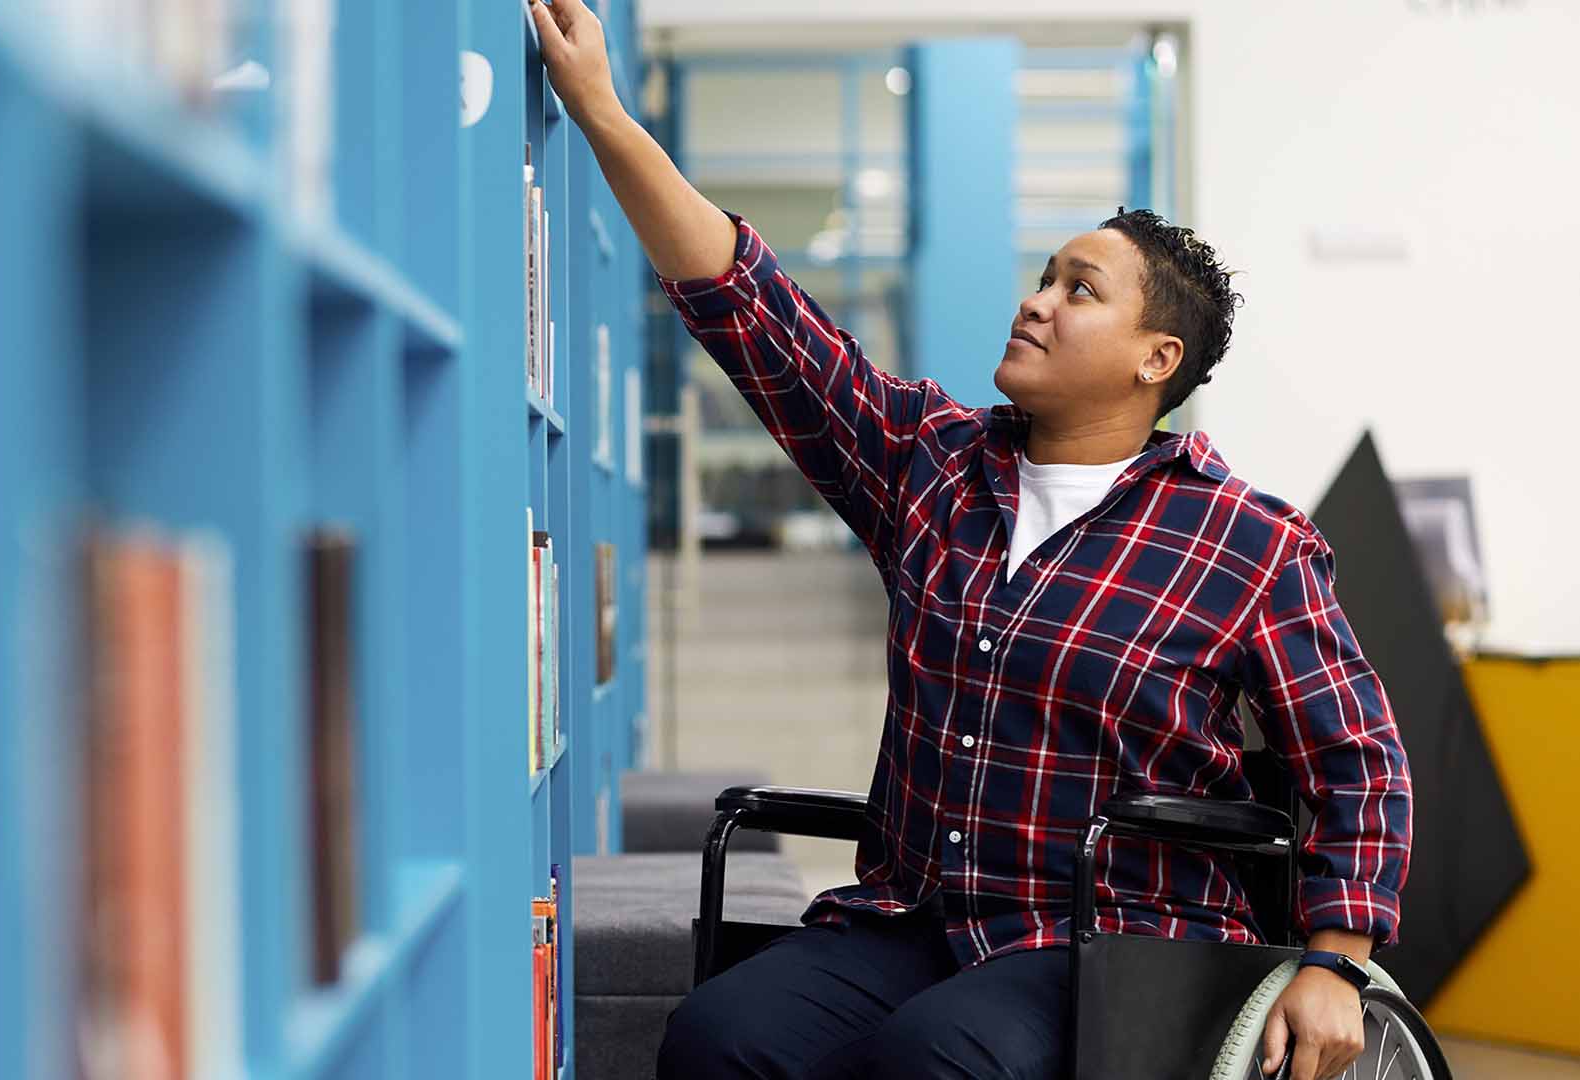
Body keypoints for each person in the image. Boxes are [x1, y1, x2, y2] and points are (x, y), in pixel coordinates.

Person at [528, 2, 1413, 1078]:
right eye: (1042, 276)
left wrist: (1338, 958)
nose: (1036, 303)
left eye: (1078, 290)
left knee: (930, 1063)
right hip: (916, 917)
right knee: (719, 1041)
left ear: (1154, 358)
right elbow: (751, 309)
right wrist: (605, 116)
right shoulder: (931, 463)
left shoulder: (1249, 543)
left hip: (1113, 945)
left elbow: (1358, 759)